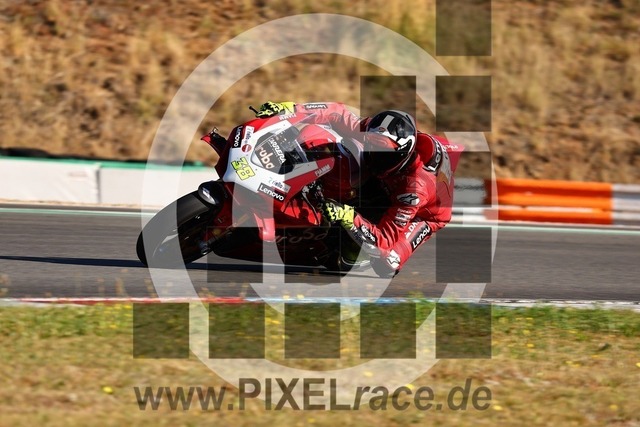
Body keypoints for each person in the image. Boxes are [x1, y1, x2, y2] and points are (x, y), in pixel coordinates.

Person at [254, 101, 455, 278]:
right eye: (372, 147)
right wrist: (291, 109)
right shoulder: (371, 130)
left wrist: (350, 217)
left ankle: (342, 242)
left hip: (424, 213)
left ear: (402, 154)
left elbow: (384, 241)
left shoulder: (414, 189)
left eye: (384, 153)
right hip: (390, 182)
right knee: (343, 160)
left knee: (387, 262)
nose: (376, 157)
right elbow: (335, 112)